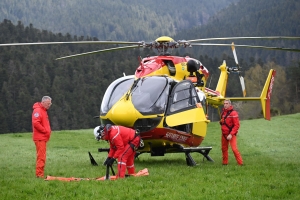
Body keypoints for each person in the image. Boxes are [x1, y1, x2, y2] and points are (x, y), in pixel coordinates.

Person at [32, 96, 52, 178]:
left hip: (43, 138)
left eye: (50, 103)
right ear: (43, 102)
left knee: (42, 156)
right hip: (40, 138)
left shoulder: (44, 111)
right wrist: (45, 131)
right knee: (41, 157)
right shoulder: (38, 110)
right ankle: (39, 175)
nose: (49, 105)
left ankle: (40, 173)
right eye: (48, 103)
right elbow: (36, 123)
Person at [219, 99, 243, 166]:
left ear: (230, 104)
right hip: (224, 134)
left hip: (231, 134)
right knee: (224, 149)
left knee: (234, 149)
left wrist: (231, 134)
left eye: (226, 103)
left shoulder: (234, 113)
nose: (225, 105)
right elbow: (223, 122)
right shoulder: (223, 113)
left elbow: (237, 125)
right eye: (224, 103)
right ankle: (225, 163)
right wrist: (221, 122)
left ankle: (240, 163)